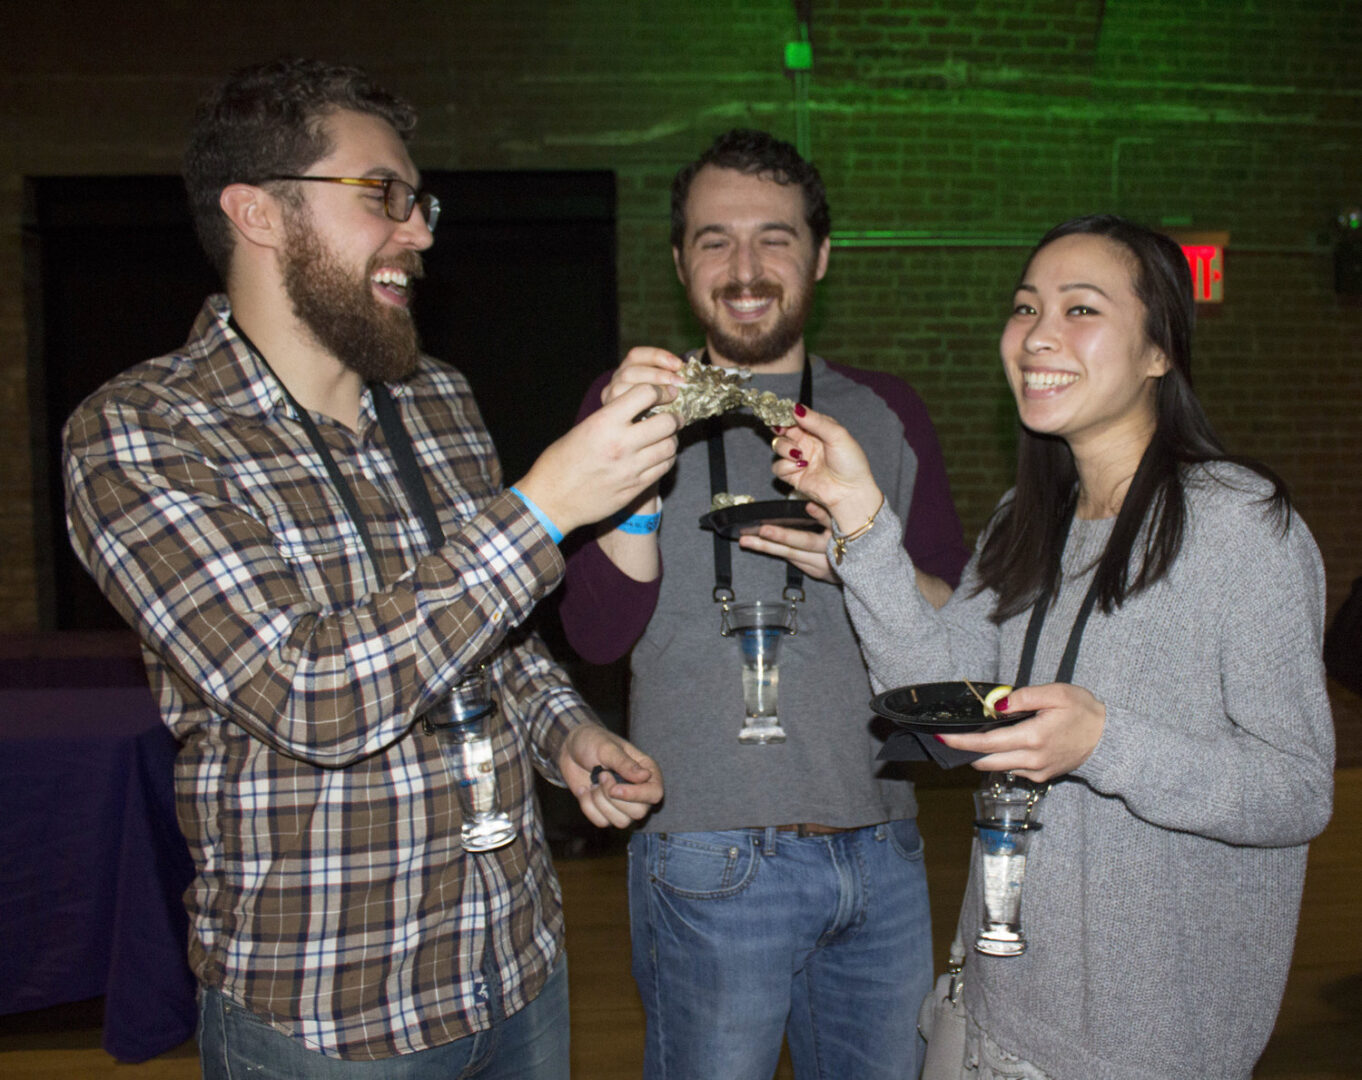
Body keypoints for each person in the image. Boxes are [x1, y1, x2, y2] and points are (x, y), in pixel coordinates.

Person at [62, 58, 681, 1079]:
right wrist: (547, 506)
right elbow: (312, 695)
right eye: (382, 196)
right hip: (328, 1018)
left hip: (515, 969)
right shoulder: (138, 434)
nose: (421, 229)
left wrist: (564, 734)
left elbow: (496, 640)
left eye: (419, 198)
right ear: (257, 213)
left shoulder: (437, 396)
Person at [773, 214, 1335, 1079]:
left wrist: (1106, 742)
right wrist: (859, 520)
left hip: (1146, 1047)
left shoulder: (1240, 528)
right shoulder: (1026, 518)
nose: (1038, 335)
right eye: (1026, 307)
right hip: (992, 1013)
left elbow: (1296, 790)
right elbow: (933, 682)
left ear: (1159, 351)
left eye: (1081, 310)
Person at [556, 128, 970, 1079]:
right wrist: (639, 467)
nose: (745, 268)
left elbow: (954, 621)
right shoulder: (623, 405)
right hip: (705, 854)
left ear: (821, 255)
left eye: (774, 237)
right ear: (679, 261)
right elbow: (595, 632)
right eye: (714, 240)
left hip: (883, 849)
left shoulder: (886, 410)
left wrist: (860, 557)